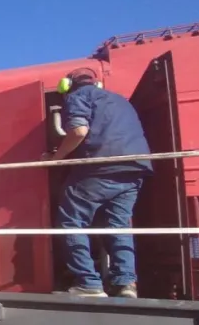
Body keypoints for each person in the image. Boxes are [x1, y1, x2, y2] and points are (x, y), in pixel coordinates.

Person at [44, 67, 153, 298]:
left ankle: (88, 282)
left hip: (99, 167)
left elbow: (79, 131)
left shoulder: (77, 96)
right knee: (119, 225)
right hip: (135, 169)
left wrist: (55, 159)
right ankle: (125, 283)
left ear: (66, 85)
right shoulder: (121, 101)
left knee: (71, 223)